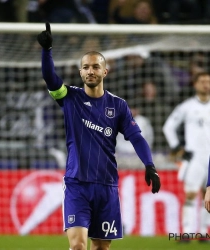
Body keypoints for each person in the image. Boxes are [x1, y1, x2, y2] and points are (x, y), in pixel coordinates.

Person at [37, 23, 161, 250]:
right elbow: (50, 77)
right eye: (86, 67)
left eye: (95, 67)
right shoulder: (69, 97)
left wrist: (150, 165)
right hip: (77, 184)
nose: (90, 71)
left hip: (107, 186)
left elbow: (136, 138)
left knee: (101, 248)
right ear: (80, 72)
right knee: (78, 246)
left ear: (105, 71)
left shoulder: (118, 105)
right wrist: (47, 50)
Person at [163, 72, 210, 241]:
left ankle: (204, 233)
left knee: (208, 196)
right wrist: (177, 147)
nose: (206, 84)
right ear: (195, 84)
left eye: (208, 81)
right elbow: (168, 127)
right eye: (202, 81)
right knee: (190, 194)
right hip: (194, 157)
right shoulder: (187, 106)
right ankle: (187, 232)